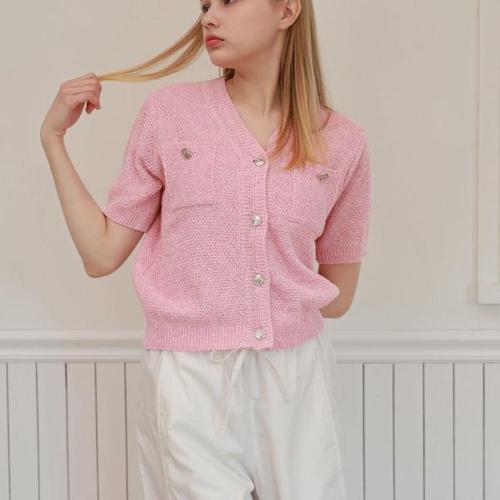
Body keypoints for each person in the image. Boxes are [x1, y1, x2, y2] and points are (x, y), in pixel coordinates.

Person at [40, 0, 372, 498]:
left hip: (296, 378)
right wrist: (53, 138)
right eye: (204, 5)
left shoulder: (343, 142)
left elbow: (338, 297)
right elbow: (101, 254)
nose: (209, 17)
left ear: (287, 10)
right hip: (190, 378)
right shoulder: (170, 115)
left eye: (228, 1)